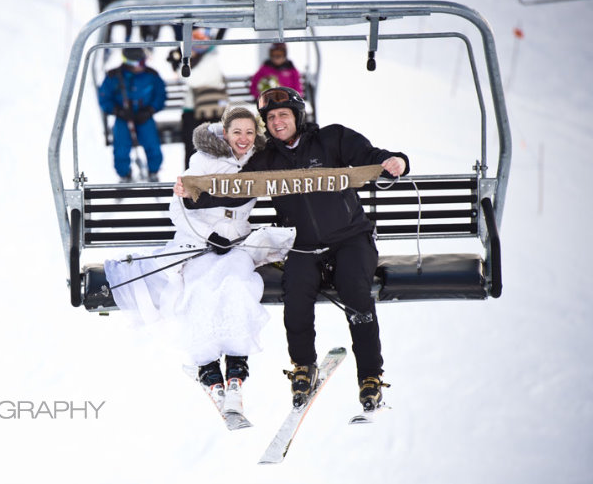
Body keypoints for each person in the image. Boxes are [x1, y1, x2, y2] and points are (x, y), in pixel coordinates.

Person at [105, 105, 295, 415]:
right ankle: (209, 370)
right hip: (199, 246)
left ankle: (236, 371)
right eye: (237, 132)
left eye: (250, 132)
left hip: (237, 247)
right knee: (200, 288)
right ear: (225, 133)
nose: (243, 139)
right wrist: (209, 235)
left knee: (236, 283)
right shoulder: (203, 163)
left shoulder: (256, 164)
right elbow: (177, 211)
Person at [242, 86, 409, 411]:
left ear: (297, 116)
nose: (277, 122)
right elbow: (233, 187)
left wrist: (395, 161)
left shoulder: (331, 139)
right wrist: (197, 191)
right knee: (296, 296)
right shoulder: (267, 159)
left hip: (350, 239)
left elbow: (370, 156)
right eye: (271, 117)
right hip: (303, 246)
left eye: (283, 115)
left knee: (355, 292)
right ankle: (303, 365)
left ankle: (370, 375)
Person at [98, 48, 166, 182]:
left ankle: (153, 171)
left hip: (144, 116)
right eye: (140, 63)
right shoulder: (114, 77)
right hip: (123, 117)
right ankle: (124, 173)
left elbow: (160, 95)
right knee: (121, 146)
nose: (142, 66)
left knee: (152, 143)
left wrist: (150, 110)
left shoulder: (151, 75)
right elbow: (104, 98)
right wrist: (117, 111)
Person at [167, 28, 229, 168]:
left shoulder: (210, 59)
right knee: (191, 146)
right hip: (192, 111)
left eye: (201, 41)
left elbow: (192, 79)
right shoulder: (192, 60)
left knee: (211, 149)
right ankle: (191, 177)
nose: (197, 46)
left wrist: (178, 64)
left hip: (212, 112)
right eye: (194, 40)